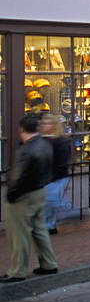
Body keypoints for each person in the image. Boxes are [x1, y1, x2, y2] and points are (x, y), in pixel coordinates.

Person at [1, 116, 58, 282]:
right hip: (39, 191)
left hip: (23, 195)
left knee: (19, 234)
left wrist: (11, 194)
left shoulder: (26, 150)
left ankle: (17, 271)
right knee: (39, 230)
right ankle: (49, 263)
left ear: (21, 130)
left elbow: (19, 176)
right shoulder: (45, 145)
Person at [40, 114, 72, 235]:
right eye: (43, 123)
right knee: (48, 200)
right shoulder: (40, 140)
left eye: (48, 123)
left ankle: (50, 224)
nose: (44, 126)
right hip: (43, 176)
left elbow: (62, 161)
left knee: (50, 199)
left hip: (55, 176)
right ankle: (49, 224)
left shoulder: (60, 141)